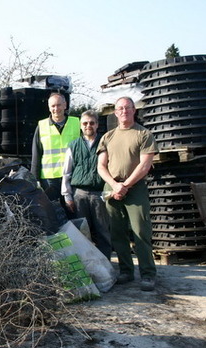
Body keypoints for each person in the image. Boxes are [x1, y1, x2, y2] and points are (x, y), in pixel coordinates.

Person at [97, 97, 159, 291]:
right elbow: (101, 166)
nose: (124, 111)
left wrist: (125, 185)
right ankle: (126, 271)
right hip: (112, 188)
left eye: (127, 108)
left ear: (134, 110)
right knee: (117, 232)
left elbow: (145, 165)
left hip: (135, 188)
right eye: (120, 108)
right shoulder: (108, 137)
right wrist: (115, 185)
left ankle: (148, 274)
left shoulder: (144, 134)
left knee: (141, 231)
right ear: (115, 113)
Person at [61, 110, 111, 259]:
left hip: (99, 195)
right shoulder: (74, 145)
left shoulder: (105, 143)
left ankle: (106, 267)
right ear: (81, 126)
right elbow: (67, 172)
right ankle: (88, 266)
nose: (88, 126)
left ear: (97, 125)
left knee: (103, 232)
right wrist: (67, 196)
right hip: (79, 195)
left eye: (92, 123)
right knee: (82, 233)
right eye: (85, 123)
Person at [31, 92, 80, 201]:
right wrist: (35, 178)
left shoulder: (77, 123)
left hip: (71, 176)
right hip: (49, 178)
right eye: (53, 106)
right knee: (53, 211)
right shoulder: (41, 126)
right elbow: (36, 153)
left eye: (59, 105)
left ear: (65, 105)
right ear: (49, 108)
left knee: (72, 210)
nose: (56, 108)